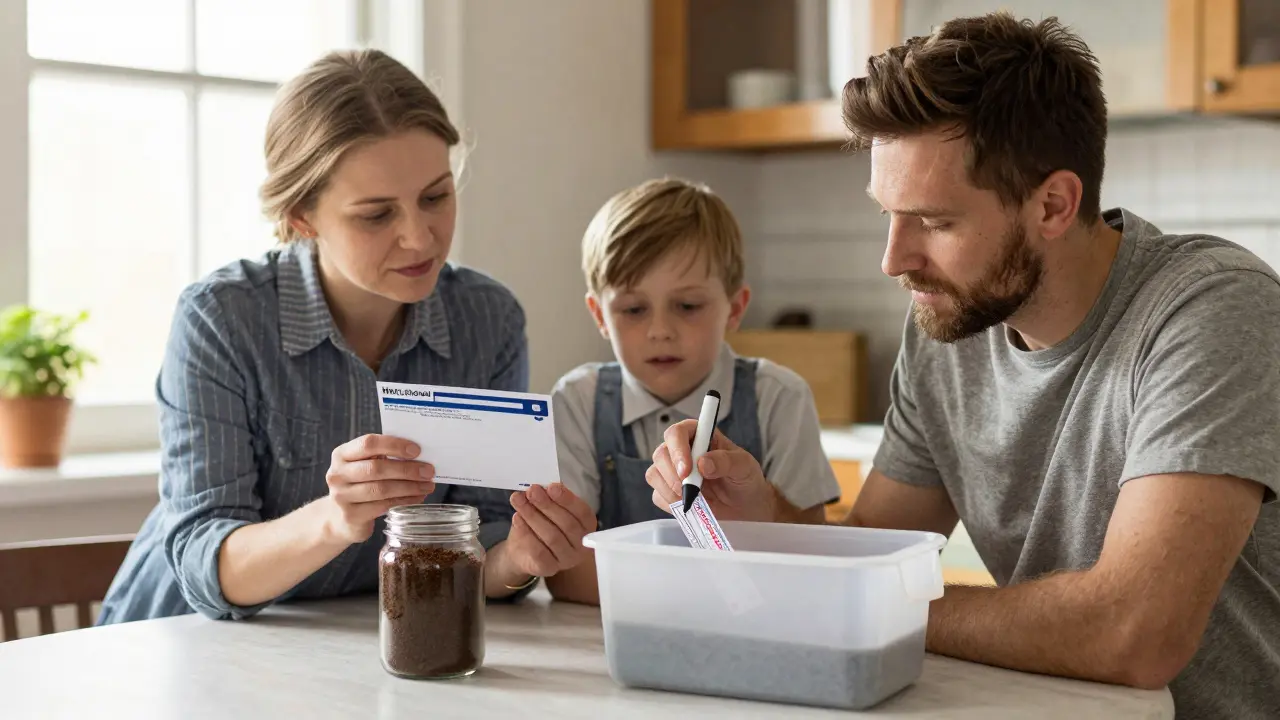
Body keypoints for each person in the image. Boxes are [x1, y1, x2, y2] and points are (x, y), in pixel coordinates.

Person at [644, 13, 1280, 720]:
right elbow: (874, 549)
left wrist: (877, 603)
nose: (894, 260)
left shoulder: (1211, 309)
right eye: (888, 215)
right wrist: (763, 521)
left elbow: (1136, 633)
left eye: (935, 223)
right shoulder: (950, 325)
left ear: (1054, 204)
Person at [99, 49, 596, 624]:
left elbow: (482, 536)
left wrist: (520, 557)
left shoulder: (489, 321)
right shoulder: (221, 321)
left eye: (435, 197)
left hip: (355, 649)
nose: (420, 238)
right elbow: (203, 564)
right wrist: (337, 519)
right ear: (302, 215)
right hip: (176, 646)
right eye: (376, 215)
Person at [545, 177, 841, 604]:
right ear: (599, 314)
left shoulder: (779, 399)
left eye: (687, 306)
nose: (661, 331)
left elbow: (813, 555)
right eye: (633, 309)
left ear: (735, 308)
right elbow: (567, 572)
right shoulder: (576, 403)